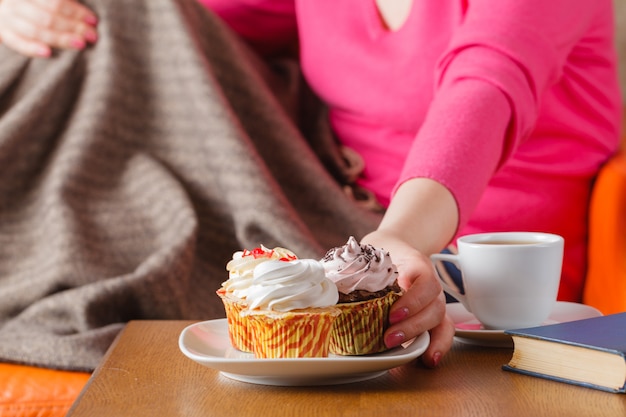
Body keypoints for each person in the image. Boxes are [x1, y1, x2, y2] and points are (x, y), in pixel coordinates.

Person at [0, 0, 621, 370]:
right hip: (337, 223)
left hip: (464, 260)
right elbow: (187, 23)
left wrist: (393, 242)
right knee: (118, 14)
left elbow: (487, 87)